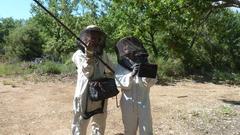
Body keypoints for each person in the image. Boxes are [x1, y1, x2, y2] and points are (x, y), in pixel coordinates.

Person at [71, 25, 114, 135]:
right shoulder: (78, 54)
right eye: (91, 37)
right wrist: (89, 56)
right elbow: (87, 72)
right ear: (85, 38)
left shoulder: (103, 55)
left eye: (96, 37)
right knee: (80, 122)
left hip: (100, 93)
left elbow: (111, 70)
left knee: (99, 121)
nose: (93, 39)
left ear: (100, 39)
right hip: (84, 94)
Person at [115, 36, 157, 135]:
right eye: (124, 47)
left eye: (129, 46)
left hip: (143, 102)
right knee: (129, 130)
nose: (127, 49)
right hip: (127, 102)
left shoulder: (144, 61)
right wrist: (132, 74)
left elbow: (151, 82)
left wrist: (145, 73)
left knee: (146, 130)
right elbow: (119, 82)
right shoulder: (121, 65)